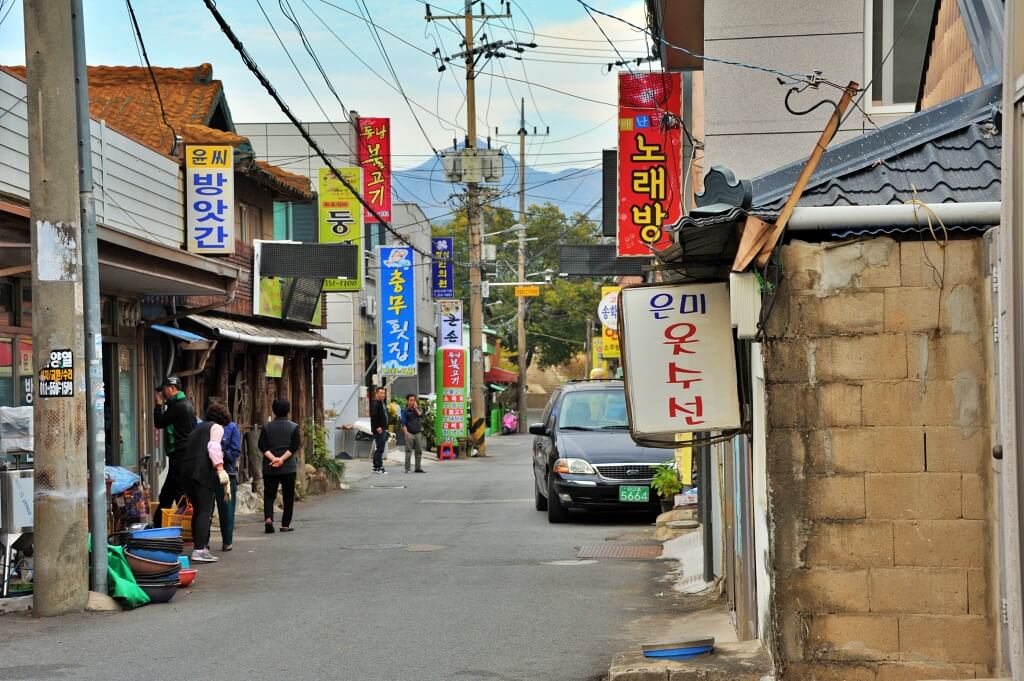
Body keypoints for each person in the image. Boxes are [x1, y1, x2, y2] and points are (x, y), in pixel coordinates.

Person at [180, 401, 233, 563]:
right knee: (205, 510)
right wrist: (220, 468)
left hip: (186, 471)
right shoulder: (216, 427)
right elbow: (213, 447)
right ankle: (200, 550)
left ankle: (199, 547)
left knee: (198, 510)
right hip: (201, 471)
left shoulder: (197, 429)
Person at [152, 377, 197, 528]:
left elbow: (159, 422)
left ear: (172, 388)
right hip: (183, 455)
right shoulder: (185, 404)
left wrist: (158, 405)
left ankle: (184, 525)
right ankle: (160, 523)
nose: (162, 394)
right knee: (170, 492)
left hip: (180, 455)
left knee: (176, 492)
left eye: (164, 389)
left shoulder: (179, 406)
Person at [259, 397, 301, 534]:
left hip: (270, 466)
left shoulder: (266, 427)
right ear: (288, 410)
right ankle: (285, 525)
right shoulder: (293, 427)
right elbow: (294, 446)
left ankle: (269, 519)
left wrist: (273, 458)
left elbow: (262, 446)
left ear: (273, 410)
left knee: (269, 495)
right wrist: (281, 459)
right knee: (288, 496)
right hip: (288, 467)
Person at [209, 398, 241, 552]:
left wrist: (220, 454)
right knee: (206, 511)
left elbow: (235, 451)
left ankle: (227, 541)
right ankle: (203, 542)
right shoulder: (206, 427)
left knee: (227, 510)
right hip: (208, 473)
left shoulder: (232, 427)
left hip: (227, 473)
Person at [400, 393, 426, 474]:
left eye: (414, 400)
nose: (412, 402)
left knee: (419, 451)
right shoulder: (405, 411)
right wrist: (406, 433)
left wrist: (416, 408)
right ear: (407, 401)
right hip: (409, 433)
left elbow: (421, 416)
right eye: (410, 400)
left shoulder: (417, 409)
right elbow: (403, 423)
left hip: (418, 432)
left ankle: (418, 468)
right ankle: (407, 468)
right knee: (408, 451)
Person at [370, 387, 390, 474]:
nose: (383, 395)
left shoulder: (381, 403)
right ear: (376, 394)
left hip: (383, 428)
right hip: (379, 429)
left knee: (380, 448)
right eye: (381, 393)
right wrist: (378, 427)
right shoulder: (375, 404)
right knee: (380, 449)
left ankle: (375, 466)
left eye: (384, 393)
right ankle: (379, 467)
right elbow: (374, 417)